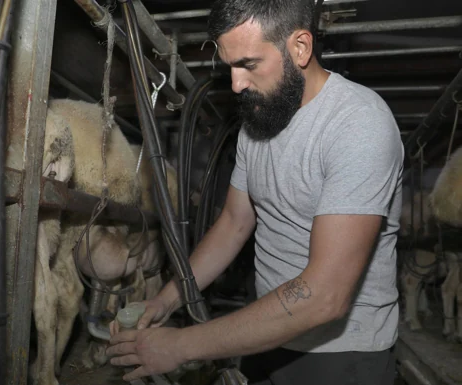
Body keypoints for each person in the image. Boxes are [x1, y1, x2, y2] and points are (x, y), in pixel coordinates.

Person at [106, 0, 404, 384]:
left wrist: (179, 346)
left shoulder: (358, 124)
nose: (236, 84)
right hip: (265, 334)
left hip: (341, 356)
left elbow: (326, 296)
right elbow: (233, 223)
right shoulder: (259, 121)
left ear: (300, 47)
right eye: (230, 66)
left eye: (248, 64)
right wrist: (167, 299)